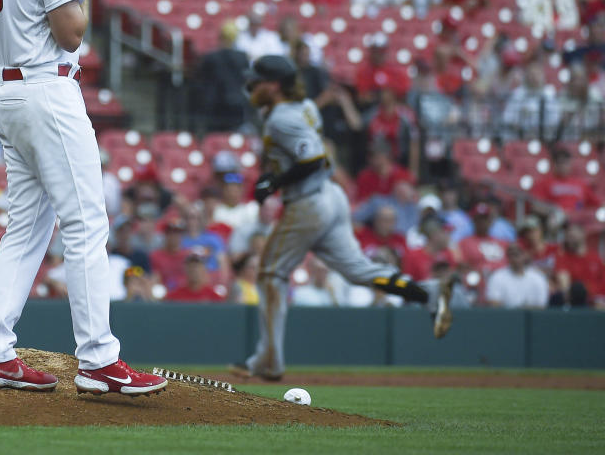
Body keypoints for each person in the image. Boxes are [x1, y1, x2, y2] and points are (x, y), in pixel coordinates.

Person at [0, 0, 166, 395]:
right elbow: (72, 34)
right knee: (86, 223)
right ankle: (99, 360)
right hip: (46, 89)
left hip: (6, 90)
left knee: (27, 230)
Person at [229, 56, 453, 381]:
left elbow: (314, 158)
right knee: (358, 270)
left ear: (275, 86)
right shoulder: (304, 105)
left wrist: (273, 182)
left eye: (258, 81)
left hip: (308, 202)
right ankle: (427, 294)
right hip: (331, 197)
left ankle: (269, 361)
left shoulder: (281, 117)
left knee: (270, 275)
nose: (252, 86)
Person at [193, 20, 250, 132]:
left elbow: (199, 77)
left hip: (215, 104)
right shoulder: (243, 57)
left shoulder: (210, 57)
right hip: (237, 103)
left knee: (215, 136)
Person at [532, 146, 600, 213]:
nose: (562, 166)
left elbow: (596, 203)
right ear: (553, 164)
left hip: (578, 219)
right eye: (559, 163)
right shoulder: (544, 183)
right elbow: (536, 205)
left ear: (570, 164)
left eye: (565, 163)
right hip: (554, 219)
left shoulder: (580, 184)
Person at [486, 244, 549, 308]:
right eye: (510, 255)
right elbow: (493, 302)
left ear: (524, 255)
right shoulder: (497, 277)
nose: (514, 259)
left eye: (517, 254)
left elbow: (541, 305)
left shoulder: (538, 277)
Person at [150, 219, 190, 291]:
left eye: (177, 233)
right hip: (164, 294)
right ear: (165, 235)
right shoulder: (156, 256)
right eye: (171, 233)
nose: (174, 236)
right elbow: (154, 278)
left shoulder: (188, 255)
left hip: (185, 295)